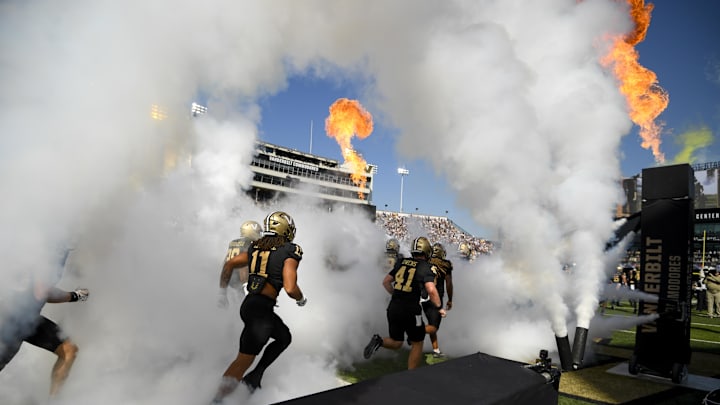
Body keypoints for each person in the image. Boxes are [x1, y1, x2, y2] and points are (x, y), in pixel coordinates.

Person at [212, 211, 307, 403]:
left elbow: (230, 264)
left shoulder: (256, 247)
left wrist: (222, 291)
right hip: (260, 312)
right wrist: (300, 298)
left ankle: (255, 377)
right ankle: (216, 400)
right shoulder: (290, 250)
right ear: (285, 229)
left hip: (251, 305)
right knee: (242, 362)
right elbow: (290, 287)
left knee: (284, 337)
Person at [0, 249, 89, 397]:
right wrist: (76, 296)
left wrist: (76, 295)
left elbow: (40, 292)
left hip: (26, 318)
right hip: (10, 318)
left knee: (68, 350)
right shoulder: (52, 243)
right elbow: (42, 291)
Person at [364, 236, 444, 370]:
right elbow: (431, 289)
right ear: (427, 251)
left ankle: (379, 341)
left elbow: (385, 282)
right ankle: (411, 376)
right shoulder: (426, 267)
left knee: (396, 342)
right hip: (412, 310)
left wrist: (396, 295)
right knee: (418, 342)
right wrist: (438, 306)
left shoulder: (402, 261)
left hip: (393, 307)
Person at [425, 242, 454, 357]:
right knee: (434, 326)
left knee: (432, 324)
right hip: (435, 297)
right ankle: (414, 332)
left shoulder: (426, 262)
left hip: (422, 295)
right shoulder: (445, 264)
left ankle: (436, 350)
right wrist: (450, 299)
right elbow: (449, 283)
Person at [222, 220, 262, 296]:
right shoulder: (248, 244)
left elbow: (225, 264)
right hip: (239, 284)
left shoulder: (234, 242)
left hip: (229, 283)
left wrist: (222, 292)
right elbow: (244, 267)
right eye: (258, 232)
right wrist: (246, 286)